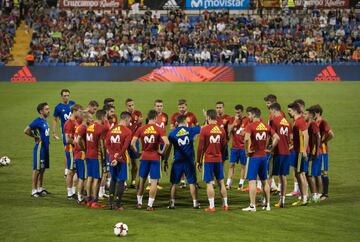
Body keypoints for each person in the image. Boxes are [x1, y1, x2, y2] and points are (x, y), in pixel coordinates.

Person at [242, 107, 279, 212]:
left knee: (252, 181)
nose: (249, 117)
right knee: (264, 181)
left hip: (254, 157)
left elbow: (245, 138)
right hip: (263, 156)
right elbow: (277, 137)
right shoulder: (266, 126)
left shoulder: (250, 126)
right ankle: (268, 205)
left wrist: (246, 150)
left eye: (249, 115)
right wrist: (270, 148)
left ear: (254, 115)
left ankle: (252, 205)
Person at [132, 110, 170, 211]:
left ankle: (139, 203)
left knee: (141, 181)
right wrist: (162, 152)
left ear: (148, 118)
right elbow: (167, 143)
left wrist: (138, 153)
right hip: (155, 157)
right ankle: (150, 205)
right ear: (156, 118)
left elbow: (132, 143)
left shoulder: (141, 129)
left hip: (144, 157)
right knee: (153, 183)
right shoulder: (159, 129)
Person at [197, 109, 228, 212]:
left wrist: (198, 161)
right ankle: (226, 205)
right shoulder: (222, 130)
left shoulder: (204, 130)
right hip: (218, 159)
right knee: (221, 182)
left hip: (209, 159)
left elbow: (200, 148)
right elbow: (224, 146)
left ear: (208, 118)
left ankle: (211, 206)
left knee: (209, 183)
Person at [167, 115, 200, 209]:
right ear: (186, 121)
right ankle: (195, 203)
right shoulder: (191, 130)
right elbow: (202, 129)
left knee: (174, 183)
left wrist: (165, 160)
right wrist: (206, 119)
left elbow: (168, 148)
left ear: (177, 122)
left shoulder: (172, 133)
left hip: (177, 161)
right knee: (192, 182)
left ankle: (172, 203)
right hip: (189, 161)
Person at [105, 112, 133, 211]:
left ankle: (110, 203)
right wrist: (118, 157)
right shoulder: (128, 131)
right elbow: (125, 147)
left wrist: (113, 157)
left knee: (113, 179)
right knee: (121, 180)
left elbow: (107, 144)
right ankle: (118, 204)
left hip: (112, 158)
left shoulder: (111, 130)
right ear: (126, 119)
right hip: (122, 159)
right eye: (130, 120)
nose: (130, 121)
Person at [170, 99, 199, 188]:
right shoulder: (175, 116)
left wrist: (194, 138)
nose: (181, 109)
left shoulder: (192, 115)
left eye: (183, 107)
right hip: (179, 142)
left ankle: (193, 180)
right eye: (179, 107)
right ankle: (183, 181)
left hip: (188, 142)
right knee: (180, 160)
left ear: (186, 106)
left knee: (190, 161)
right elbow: (171, 128)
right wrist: (176, 126)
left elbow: (197, 127)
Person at [24, 102, 51, 197]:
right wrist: (35, 136)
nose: (49, 111)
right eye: (46, 109)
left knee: (42, 169)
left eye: (48, 109)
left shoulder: (45, 121)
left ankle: (40, 188)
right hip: (40, 148)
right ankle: (34, 190)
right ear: (41, 111)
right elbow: (26, 130)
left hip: (45, 148)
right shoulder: (37, 121)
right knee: (37, 169)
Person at [268, 103, 292, 208]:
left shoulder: (274, 121)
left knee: (269, 176)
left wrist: (270, 149)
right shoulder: (287, 122)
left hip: (277, 152)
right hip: (286, 153)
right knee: (283, 177)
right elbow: (291, 138)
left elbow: (273, 137)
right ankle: (282, 200)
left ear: (274, 110)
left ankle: (266, 200)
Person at [85, 109, 107, 208]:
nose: (106, 119)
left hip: (88, 154)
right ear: (102, 117)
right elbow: (102, 144)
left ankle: (89, 199)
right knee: (97, 179)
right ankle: (95, 201)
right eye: (105, 117)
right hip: (96, 156)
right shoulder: (101, 128)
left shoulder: (89, 127)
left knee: (89, 177)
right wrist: (104, 157)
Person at [288, 102, 309, 206]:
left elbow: (306, 135)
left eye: (290, 110)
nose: (288, 112)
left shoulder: (300, 121)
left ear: (295, 111)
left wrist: (304, 150)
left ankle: (304, 198)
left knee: (301, 175)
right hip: (296, 150)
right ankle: (302, 196)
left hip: (300, 152)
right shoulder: (296, 120)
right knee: (298, 174)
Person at [52, 89, 75, 177]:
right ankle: (66, 169)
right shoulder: (58, 107)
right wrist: (54, 132)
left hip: (75, 131)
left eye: (67, 95)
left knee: (75, 149)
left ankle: (73, 166)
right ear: (61, 96)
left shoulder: (72, 103)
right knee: (67, 149)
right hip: (65, 132)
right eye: (64, 95)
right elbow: (55, 119)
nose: (66, 97)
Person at [226, 104, 249, 190]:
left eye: (239, 113)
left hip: (243, 147)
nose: (237, 114)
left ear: (242, 112)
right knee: (231, 164)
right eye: (236, 112)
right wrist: (234, 123)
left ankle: (241, 184)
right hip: (234, 147)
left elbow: (248, 131)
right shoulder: (232, 119)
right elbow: (228, 130)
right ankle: (228, 184)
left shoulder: (246, 120)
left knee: (243, 165)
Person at [314, 105, 334, 200]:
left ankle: (325, 194)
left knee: (323, 172)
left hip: (323, 151)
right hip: (317, 151)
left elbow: (331, 134)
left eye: (312, 113)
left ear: (317, 113)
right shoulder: (315, 122)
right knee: (317, 172)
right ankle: (318, 193)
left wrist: (324, 141)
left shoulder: (323, 122)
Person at [63, 104, 83, 200]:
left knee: (74, 171)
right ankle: (69, 193)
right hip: (70, 150)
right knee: (70, 172)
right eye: (79, 111)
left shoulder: (75, 122)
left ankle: (73, 192)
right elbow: (67, 139)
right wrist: (76, 142)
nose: (80, 113)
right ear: (74, 111)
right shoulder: (69, 123)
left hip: (74, 150)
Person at [304, 106, 321, 203]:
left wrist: (316, 151)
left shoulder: (313, 124)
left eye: (305, 114)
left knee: (309, 174)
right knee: (308, 174)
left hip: (312, 152)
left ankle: (315, 195)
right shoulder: (309, 123)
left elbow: (318, 136)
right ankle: (314, 194)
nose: (304, 115)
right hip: (310, 151)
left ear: (310, 115)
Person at [73, 111, 91, 204]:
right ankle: (80, 198)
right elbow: (77, 140)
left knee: (81, 176)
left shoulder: (79, 127)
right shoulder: (83, 128)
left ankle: (79, 195)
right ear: (86, 118)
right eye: (90, 118)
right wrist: (84, 148)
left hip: (77, 154)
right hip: (81, 155)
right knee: (82, 177)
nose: (91, 119)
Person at [125, 98, 143, 189]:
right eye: (129, 106)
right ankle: (124, 181)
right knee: (125, 162)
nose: (131, 107)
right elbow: (128, 130)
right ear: (126, 107)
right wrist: (136, 123)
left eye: (132, 105)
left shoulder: (138, 114)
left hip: (134, 142)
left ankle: (133, 181)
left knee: (135, 163)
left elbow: (140, 129)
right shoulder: (124, 116)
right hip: (125, 142)